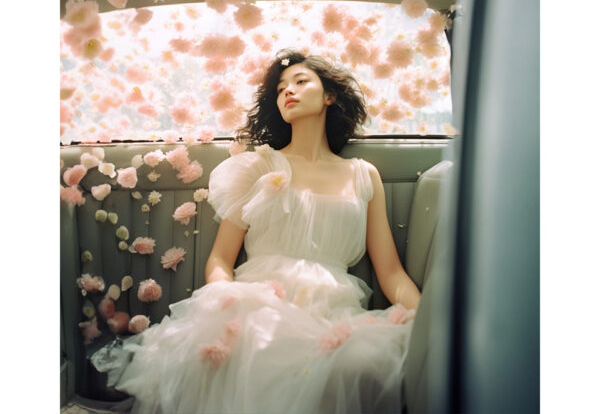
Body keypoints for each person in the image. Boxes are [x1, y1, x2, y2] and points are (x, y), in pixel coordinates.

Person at [114, 49, 421, 414]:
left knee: (360, 364)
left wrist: (425, 316)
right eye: (280, 88)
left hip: (331, 314)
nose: (288, 91)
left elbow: (390, 272)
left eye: (300, 81)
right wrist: (224, 300)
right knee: (260, 346)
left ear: (329, 96)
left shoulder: (362, 174)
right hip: (260, 304)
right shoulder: (258, 167)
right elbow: (220, 259)